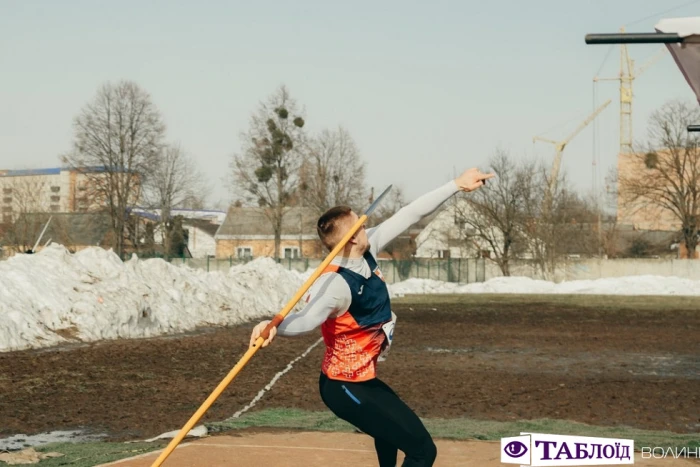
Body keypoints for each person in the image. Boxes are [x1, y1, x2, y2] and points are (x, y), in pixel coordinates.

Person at [249, 167, 494, 467]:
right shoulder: (335, 284)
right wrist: (272, 325)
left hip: (364, 379)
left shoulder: (369, 248)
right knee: (422, 451)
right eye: (361, 225)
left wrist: (456, 185)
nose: (368, 227)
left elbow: (410, 213)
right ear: (351, 238)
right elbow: (306, 319)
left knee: (391, 437)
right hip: (342, 386)